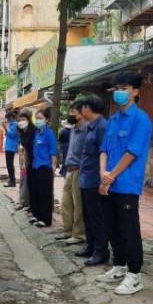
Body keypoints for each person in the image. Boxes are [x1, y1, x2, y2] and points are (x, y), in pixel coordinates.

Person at [96, 71, 152, 296]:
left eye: (125, 88)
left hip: (126, 184)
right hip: (107, 183)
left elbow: (132, 153)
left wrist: (111, 175)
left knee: (129, 229)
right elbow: (104, 149)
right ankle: (119, 266)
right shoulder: (113, 119)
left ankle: (135, 274)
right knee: (111, 227)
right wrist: (103, 173)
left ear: (136, 91)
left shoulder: (141, 120)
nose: (119, 92)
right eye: (117, 88)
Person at [77, 94, 110, 266]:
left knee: (97, 217)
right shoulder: (91, 126)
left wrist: (101, 181)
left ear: (87, 108)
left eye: (82, 107)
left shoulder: (102, 127)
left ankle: (101, 251)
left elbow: (104, 154)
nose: (81, 110)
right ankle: (90, 246)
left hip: (94, 179)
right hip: (85, 178)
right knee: (88, 216)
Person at [58, 100, 88, 246]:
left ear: (82, 112)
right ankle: (68, 230)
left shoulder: (87, 128)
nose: (70, 114)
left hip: (79, 169)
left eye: (73, 111)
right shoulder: (74, 129)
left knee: (78, 204)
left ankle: (79, 234)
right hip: (69, 169)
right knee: (66, 202)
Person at [29, 108, 57, 228]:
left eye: (40, 118)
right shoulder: (37, 132)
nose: (38, 120)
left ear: (47, 120)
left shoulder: (49, 133)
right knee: (37, 192)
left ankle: (46, 219)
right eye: (37, 118)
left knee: (45, 194)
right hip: (36, 166)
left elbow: (53, 152)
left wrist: (53, 166)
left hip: (45, 166)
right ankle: (38, 216)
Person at [14, 109, 36, 211]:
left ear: (29, 119)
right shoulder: (22, 131)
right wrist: (24, 162)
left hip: (34, 159)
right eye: (20, 119)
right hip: (25, 158)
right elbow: (24, 147)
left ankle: (29, 203)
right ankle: (23, 201)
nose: (21, 121)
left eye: (24, 119)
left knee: (31, 182)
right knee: (23, 179)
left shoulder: (33, 131)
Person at [2, 111, 19, 187]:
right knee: (9, 164)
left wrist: (6, 128)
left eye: (8, 118)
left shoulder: (15, 124)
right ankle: (11, 180)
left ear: (11, 117)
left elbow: (12, 135)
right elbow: (8, 134)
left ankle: (12, 181)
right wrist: (6, 129)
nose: (7, 120)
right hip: (8, 146)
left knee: (10, 164)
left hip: (11, 146)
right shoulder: (11, 124)